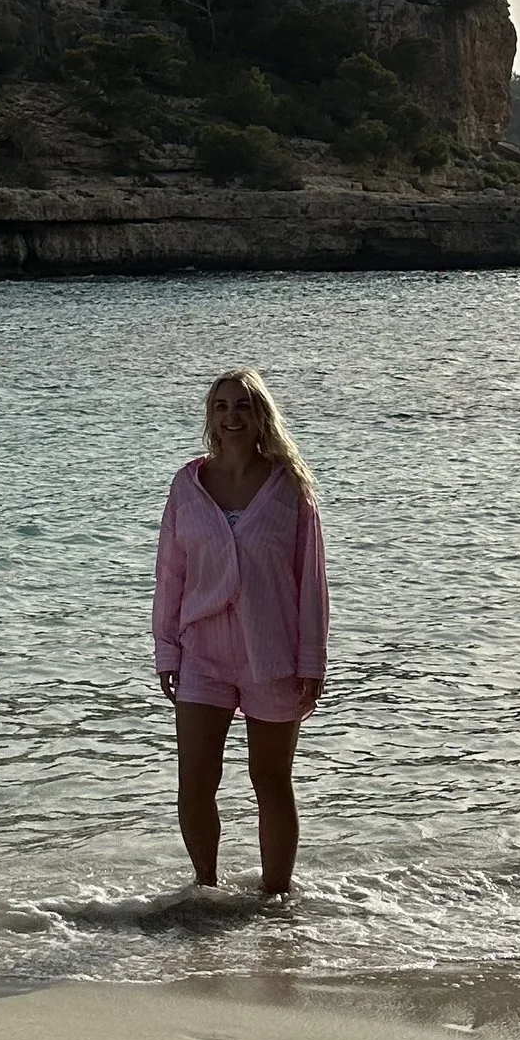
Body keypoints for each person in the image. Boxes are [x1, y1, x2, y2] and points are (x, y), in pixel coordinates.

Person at [151, 367, 329, 902]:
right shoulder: (188, 484)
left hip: (272, 655)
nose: (232, 416)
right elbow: (171, 574)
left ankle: (276, 899)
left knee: (270, 781)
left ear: (260, 417)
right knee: (195, 783)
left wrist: (311, 663)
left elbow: (311, 582)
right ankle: (204, 892)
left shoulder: (289, 488)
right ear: (211, 415)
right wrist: (167, 649)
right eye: (222, 406)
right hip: (202, 652)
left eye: (243, 406)